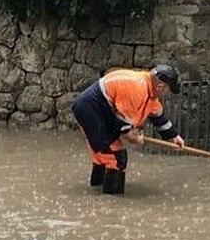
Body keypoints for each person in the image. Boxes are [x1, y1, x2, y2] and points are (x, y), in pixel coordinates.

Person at [70, 64, 185, 195]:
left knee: (103, 158)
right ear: (160, 87)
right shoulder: (137, 90)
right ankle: (111, 206)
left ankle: (96, 194)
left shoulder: (149, 91)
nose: (168, 94)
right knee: (116, 159)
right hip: (91, 110)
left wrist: (174, 137)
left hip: (100, 111)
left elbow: (159, 117)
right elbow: (125, 129)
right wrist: (135, 137)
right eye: (169, 90)